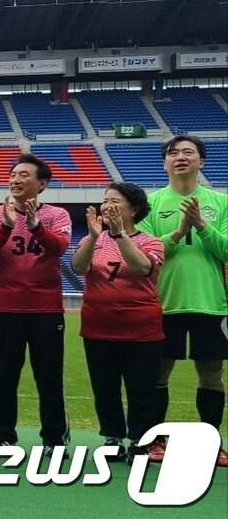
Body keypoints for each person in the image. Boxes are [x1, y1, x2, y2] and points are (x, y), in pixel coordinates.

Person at [136, 136, 227, 466]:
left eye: (189, 152)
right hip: (162, 303)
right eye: (173, 153)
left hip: (209, 302)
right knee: (158, 372)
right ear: (164, 163)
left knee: (212, 372)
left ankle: (212, 444)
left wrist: (201, 226)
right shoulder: (151, 203)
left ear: (201, 161)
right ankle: (155, 441)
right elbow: (145, 251)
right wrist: (177, 232)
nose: (180, 157)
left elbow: (227, 249)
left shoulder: (221, 202)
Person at [0, 153, 73, 452]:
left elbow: (59, 248)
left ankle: (54, 439)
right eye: (13, 174)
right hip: (6, 307)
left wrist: (35, 225)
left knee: (49, 375)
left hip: (46, 308)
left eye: (24, 175)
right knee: (5, 374)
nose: (16, 180)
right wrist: (6, 226)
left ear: (42, 184)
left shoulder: (58, 215)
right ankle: (3, 435)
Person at [73, 182, 164, 461]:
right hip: (98, 327)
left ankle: (140, 439)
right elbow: (78, 267)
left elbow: (141, 268)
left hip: (141, 329)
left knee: (141, 388)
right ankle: (112, 437)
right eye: (105, 200)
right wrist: (92, 237)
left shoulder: (151, 241)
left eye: (115, 201)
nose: (107, 206)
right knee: (105, 387)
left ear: (134, 209)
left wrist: (119, 236)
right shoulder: (93, 239)